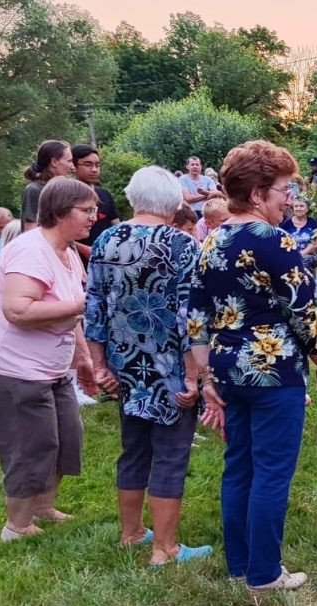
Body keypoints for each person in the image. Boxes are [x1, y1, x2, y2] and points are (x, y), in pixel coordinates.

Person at [188, 140, 317, 593]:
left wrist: (205, 375)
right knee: (272, 471)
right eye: (283, 190)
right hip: (273, 372)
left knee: (239, 467)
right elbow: (303, 313)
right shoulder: (275, 240)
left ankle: (240, 566)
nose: (288, 199)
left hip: (228, 369)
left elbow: (195, 315)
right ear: (257, 194)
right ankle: (265, 574)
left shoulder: (212, 239)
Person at [84, 166, 213, 567]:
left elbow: (94, 308)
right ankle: (165, 548)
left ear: (133, 197)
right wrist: (193, 375)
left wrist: (99, 365)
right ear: (174, 202)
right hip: (170, 368)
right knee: (171, 453)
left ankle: (132, 532)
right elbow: (191, 317)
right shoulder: (182, 244)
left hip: (125, 366)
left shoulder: (106, 240)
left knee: (134, 449)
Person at [0, 178, 100, 541]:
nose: (94, 216)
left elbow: (70, 311)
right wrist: (84, 303)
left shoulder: (67, 251)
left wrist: (82, 355)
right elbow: (18, 310)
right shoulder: (31, 251)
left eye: (94, 210)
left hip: (50, 367)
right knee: (31, 444)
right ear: (59, 212)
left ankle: (43, 506)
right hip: (12, 366)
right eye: (86, 210)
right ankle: (17, 525)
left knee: (67, 437)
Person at [71, 144, 121, 251]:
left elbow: (116, 226)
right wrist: (86, 250)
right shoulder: (67, 196)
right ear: (73, 167)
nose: (94, 169)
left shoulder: (104, 194)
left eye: (97, 165)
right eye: (88, 165)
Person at [21, 140, 74, 231]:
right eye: (69, 161)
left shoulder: (66, 189)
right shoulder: (34, 190)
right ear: (54, 162)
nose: (72, 166)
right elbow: (30, 229)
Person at [279, 194, 317, 272]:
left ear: (307, 209)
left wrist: (301, 254)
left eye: (301, 206)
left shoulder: (312, 223)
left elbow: (316, 243)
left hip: (309, 255)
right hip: (290, 255)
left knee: (303, 262)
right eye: (296, 206)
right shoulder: (286, 224)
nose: (298, 209)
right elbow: (280, 242)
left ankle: (304, 279)